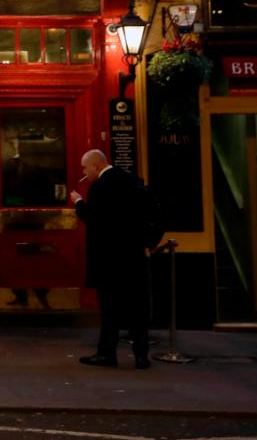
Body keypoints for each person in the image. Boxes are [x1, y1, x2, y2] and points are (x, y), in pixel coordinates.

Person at [71, 149, 152, 370]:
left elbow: (95, 220)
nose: (84, 173)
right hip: (133, 257)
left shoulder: (99, 187)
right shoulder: (132, 181)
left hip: (109, 260)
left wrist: (79, 203)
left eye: (85, 168)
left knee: (110, 309)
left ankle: (107, 353)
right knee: (138, 308)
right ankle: (141, 355)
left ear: (96, 166)